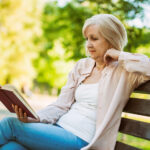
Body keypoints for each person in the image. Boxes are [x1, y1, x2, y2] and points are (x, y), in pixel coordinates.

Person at [0, 14, 150, 150]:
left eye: (95, 38)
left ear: (111, 39)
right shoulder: (82, 66)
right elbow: (61, 104)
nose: (89, 44)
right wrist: (37, 118)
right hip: (58, 130)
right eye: (87, 39)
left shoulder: (125, 71)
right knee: (12, 147)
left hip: (82, 140)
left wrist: (119, 55)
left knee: (9, 125)